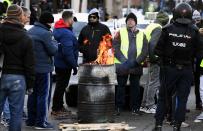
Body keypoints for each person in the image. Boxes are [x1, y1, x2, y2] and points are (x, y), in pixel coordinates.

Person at [152, 3, 203, 131]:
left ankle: (158, 125)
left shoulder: (167, 29)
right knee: (182, 99)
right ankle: (177, 125)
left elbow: (157, 50)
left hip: (169, 68)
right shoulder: (195, 31)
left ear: (175, 14)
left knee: (163, 97)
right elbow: (199, 53)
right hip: (186, 69)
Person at [0, 4, 35, 131]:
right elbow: (30, 64)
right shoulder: (26, 37)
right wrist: (30, 84)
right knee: (16, 113)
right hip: (18, 78)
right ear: (20, 16)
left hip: (2, 74)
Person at [26, 12, 57, 129]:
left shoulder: (31, 31)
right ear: (47, 22)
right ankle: (40, 122)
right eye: (51, 22)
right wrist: (55, 42)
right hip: (44, 70)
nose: (52, 24)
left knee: (32, 95)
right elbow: (53, 50)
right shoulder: (46, 33)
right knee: (43, 96)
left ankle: (30, 120)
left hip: (31, 69)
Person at [113, 12, 148, 115]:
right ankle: (118, 108)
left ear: (135, 22)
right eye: (128, 20)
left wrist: (137, 61)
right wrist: (125, 61)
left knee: (135, 88)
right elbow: (115, 48)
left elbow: (145, 50)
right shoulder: (120, 32)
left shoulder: (142, 34)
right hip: (123, 65)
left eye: (132, 20)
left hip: (136, 65)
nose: (130, 21)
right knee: (120, 87)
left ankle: (135, 109)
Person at [140, 11, 169, 114]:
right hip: (153, 59)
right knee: (154, 82)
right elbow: (153, 44)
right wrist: (155, 58)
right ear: (164, 20)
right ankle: (150, 105)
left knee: (149, 82)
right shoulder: (158, 28)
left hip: (148, 57)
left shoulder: (150, 25)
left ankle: (144, 105)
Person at [51, 11, 78, 117]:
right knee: (61, 86)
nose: (73, 21)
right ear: (68, 19)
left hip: (59, 63)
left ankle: (59, 106)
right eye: (72, 19)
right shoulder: (65, 33)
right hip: (64, 64)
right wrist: (74, 65)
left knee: (60, 86)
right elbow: (68, 52)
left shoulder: (58, 29)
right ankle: (56, 108)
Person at [192, 10, 203, 110]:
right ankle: (198, 102)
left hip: (200, 59)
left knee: (200, 82)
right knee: (196, 82)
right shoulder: (192, 28)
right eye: (195, 18)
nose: (196, 20)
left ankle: (199, 102)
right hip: (194, 60)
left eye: (198, 18)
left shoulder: (200, 27)